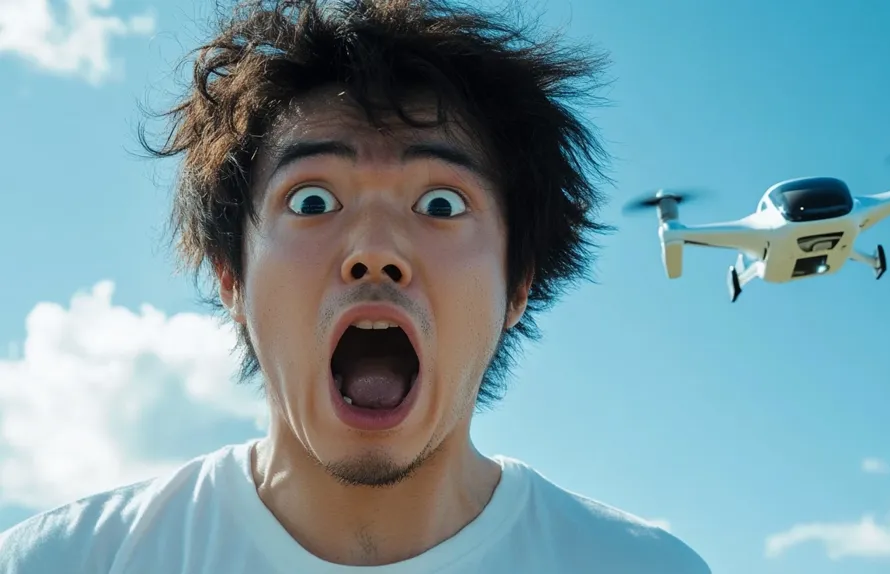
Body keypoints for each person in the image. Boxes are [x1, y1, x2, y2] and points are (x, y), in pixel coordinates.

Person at [0, 1, 711, 572]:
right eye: (312, 201)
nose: (374, 252)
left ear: (516, 285)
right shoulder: (63, 561)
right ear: (231, 277)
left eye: (441, 204)